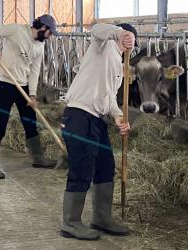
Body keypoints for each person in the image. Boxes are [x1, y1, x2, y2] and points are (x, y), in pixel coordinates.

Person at [58, 23, 137, 240]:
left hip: (97, 118)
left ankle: (101, 217)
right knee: (82, 167)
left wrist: (119, 116)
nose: (129, 43)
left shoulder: (119, 68)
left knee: (105, 166)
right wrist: (119, 33)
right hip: (79, 114)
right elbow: (97, 29)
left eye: (131, 40)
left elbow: (109, 98)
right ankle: (71, 222)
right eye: (127, 38)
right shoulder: (103, 45)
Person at [0, 14, 59, 179]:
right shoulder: (17, 30)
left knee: (30, 122)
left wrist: (32, 95)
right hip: (6, 83)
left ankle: (38, 158)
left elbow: (34, 72)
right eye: (50, 32)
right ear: (42, 28)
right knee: (1, 122)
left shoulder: (39, 46)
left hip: (22, 87)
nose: (50, 36)